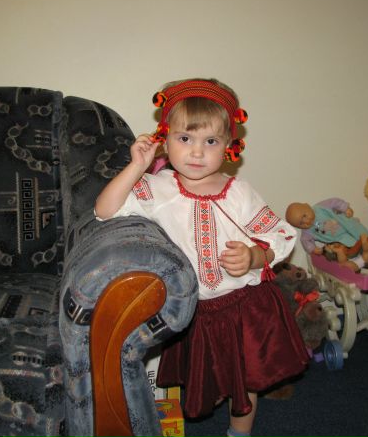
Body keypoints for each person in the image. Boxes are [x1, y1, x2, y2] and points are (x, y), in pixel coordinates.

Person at [94, 78, 309, 437]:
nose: (197, 152)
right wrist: (136, 166)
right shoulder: (158, 188)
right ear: (165, 140)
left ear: (228, 146)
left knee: (245, 379)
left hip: (245, 305)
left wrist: (257, 255)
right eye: (185, 139)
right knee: (208, 374)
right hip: (195, 309)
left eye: (210, 141)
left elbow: (282, 233)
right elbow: (104, 210)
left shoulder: (239, 192)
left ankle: (239, 432)